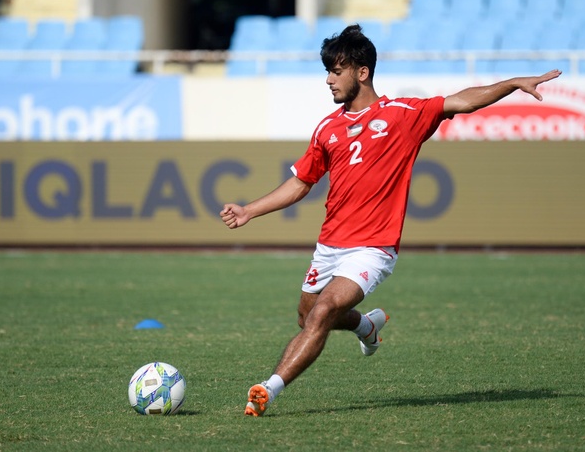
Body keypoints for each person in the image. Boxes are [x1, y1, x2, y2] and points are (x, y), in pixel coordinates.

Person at [220, 24, 562, 416]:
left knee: (324, 310)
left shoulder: (403, 115)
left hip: (373, 248)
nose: (329, 80)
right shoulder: (327, 128)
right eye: (328, 71)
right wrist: (249, 210)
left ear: (362, 72)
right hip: (330, 244)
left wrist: (514, 82)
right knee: (307, 316)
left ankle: (267, 389)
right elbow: (300, 184)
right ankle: (366, 327)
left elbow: (462, 102)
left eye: (337, 70)